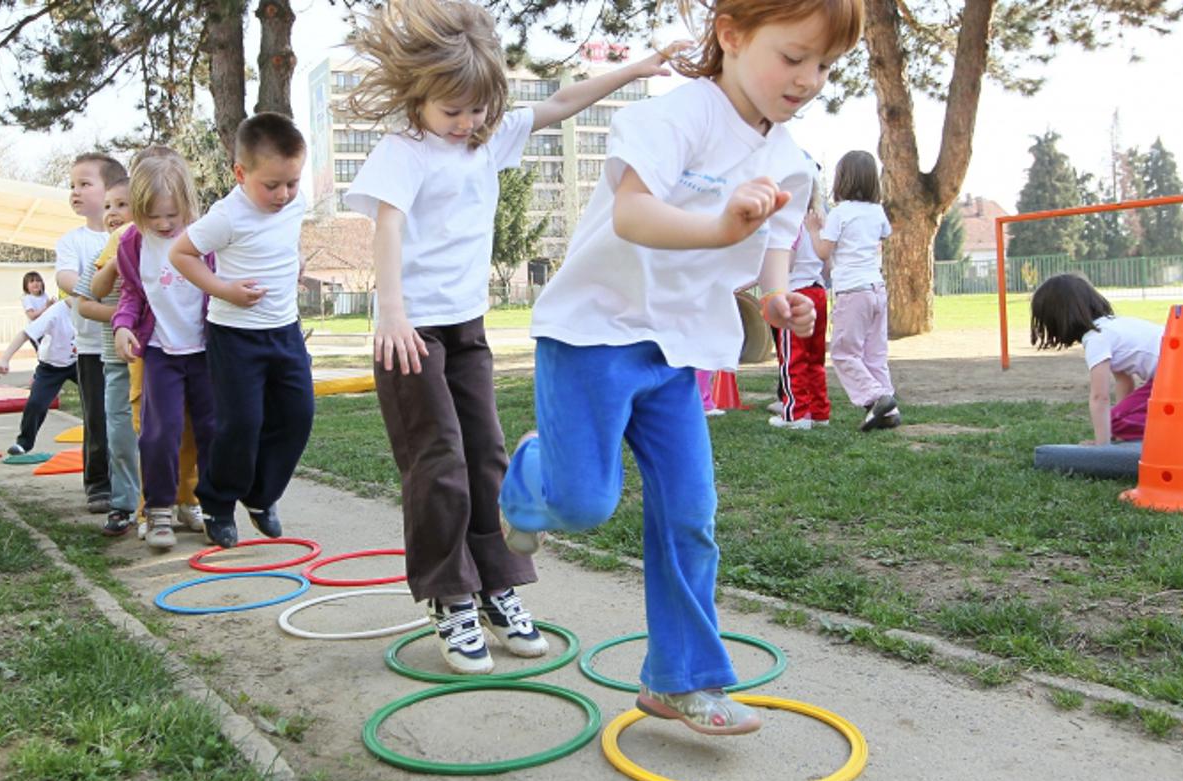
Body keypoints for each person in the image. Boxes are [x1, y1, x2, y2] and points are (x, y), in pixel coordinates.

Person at [499, 0, 862, 732]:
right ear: (731, 35)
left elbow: (774, 245)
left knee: (691, 515)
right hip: (595, 330)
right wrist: (719, 223)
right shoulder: (678, 117)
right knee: (584, 504)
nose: (809, 80)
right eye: (793, 58)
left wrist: (778, 296)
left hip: (679, 351)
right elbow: (633, 214)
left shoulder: (790, 158)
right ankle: (529, 477)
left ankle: (680, 679)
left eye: (824, 66)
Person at [342, 0, 683, 676]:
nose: (468, 124)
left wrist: (644, 66)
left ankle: (497, 585)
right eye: (453, 112)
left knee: (486, 456)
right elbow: (386, 225)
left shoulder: (485, 136)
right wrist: (391, 312)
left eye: (477, 111)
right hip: (412, 333)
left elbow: (563, 103)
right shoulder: (403, 151)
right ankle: (449, 597)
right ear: (420, 98)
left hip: (466, 327)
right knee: (436, 462)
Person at [169, 113, 314, 549]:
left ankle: (261, 495)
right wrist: (224, 289)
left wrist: (296, 262)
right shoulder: (226, 216)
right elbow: (182, 254)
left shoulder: (296, 202)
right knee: (241, 423)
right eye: (272, 185)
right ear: (240, 173)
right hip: (235, 336)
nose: (284, 194)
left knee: (297, 415)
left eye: (291, 182)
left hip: (285, 331)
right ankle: (216, 501)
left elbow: (285, 237)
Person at [112, 153, 216, 550]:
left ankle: (212, 505)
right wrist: (123, 325)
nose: (164, 224)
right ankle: (158, 509)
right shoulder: (132, 244)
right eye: (153, 216)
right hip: (159, 352)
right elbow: (132, 295)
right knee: (160, 432)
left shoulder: (206, 236)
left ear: (188, 204)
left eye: (172, 214)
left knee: (211, 430)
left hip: (206, 352)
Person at [806, 149, 898, 431]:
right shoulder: (877, 212)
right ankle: (888, 409)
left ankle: (876, 397)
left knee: (844, 353)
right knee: (875, 352)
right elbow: (884, 234)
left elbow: (823, 252)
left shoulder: (840, 213)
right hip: (876, 289)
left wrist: (813, 230)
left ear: (841, 180)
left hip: (852, 292)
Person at [55, 152, 126, 512]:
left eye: (85, 184)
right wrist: (87, 291)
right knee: (97, 416)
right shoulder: (74, 241)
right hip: (91, 346)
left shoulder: (132, 235)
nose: (75, 192)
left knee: (126, 416)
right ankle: (98, 482)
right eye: (72, 186)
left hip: (129, 347)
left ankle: (132, 482)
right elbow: (66, 278)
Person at [74, 176, 140, 535]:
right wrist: (125, 318)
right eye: (109, 205)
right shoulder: (104, 256)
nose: (113, 213)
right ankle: (124, 503)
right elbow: (85, 304)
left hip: (156, 361)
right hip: (116, 362)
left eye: (122, 205)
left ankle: (171, 500)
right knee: (119, 433)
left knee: (163, 432)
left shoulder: (156, 247)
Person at [1030, 273, 1163, 444]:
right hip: (1182, 366)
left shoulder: (1096, 339)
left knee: (1115, 421)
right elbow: (1125, 382)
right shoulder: (1113, 326)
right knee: (1117, 420)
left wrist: (1102, 445)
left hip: (1181, 375)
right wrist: (1117, 425)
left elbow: (1100, 397)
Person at [770, 168, 830, 429]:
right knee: (815, 358)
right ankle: (819, 412)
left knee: (791, 357)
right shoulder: (817, 221)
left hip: (795, 294)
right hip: (818, 291)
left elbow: (788, 263)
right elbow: (827, 263)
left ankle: (795, 414)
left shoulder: (788, 223)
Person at [0, 298, 79, 455]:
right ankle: (24, 443)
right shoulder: (57, 312)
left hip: (80, 363)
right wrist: (4, 359)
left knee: (100, 397)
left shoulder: (93, 309)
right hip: (51, 367)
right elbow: (25, 334)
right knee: (36, 403)